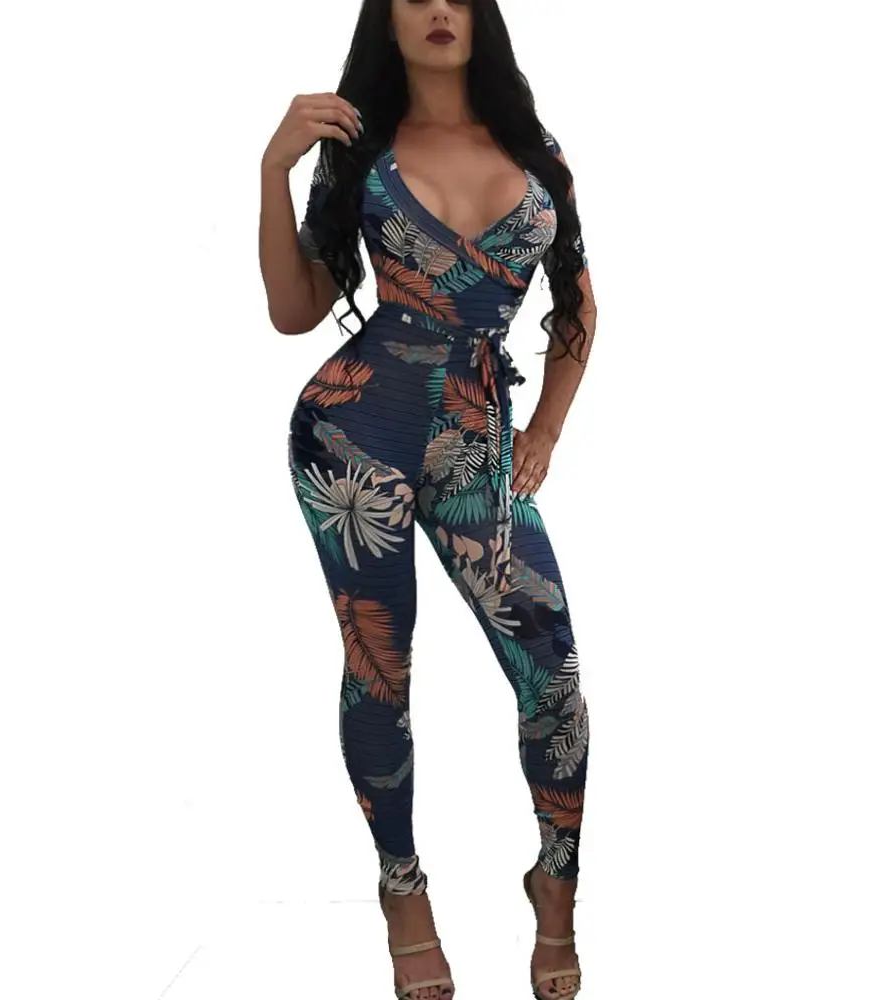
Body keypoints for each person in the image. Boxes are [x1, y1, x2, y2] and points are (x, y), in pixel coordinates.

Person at [259, 2, 597, 997]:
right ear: (386, 18)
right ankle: (401, 888)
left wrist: (544, 433)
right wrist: (272, 170)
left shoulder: (536, 151)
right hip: (352, 439)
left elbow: (578, 306)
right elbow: (293, 312)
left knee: (553, 674)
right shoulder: (356, 150)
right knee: (381, 668)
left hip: (475, 446)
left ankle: (557, 879)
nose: (438, 7)